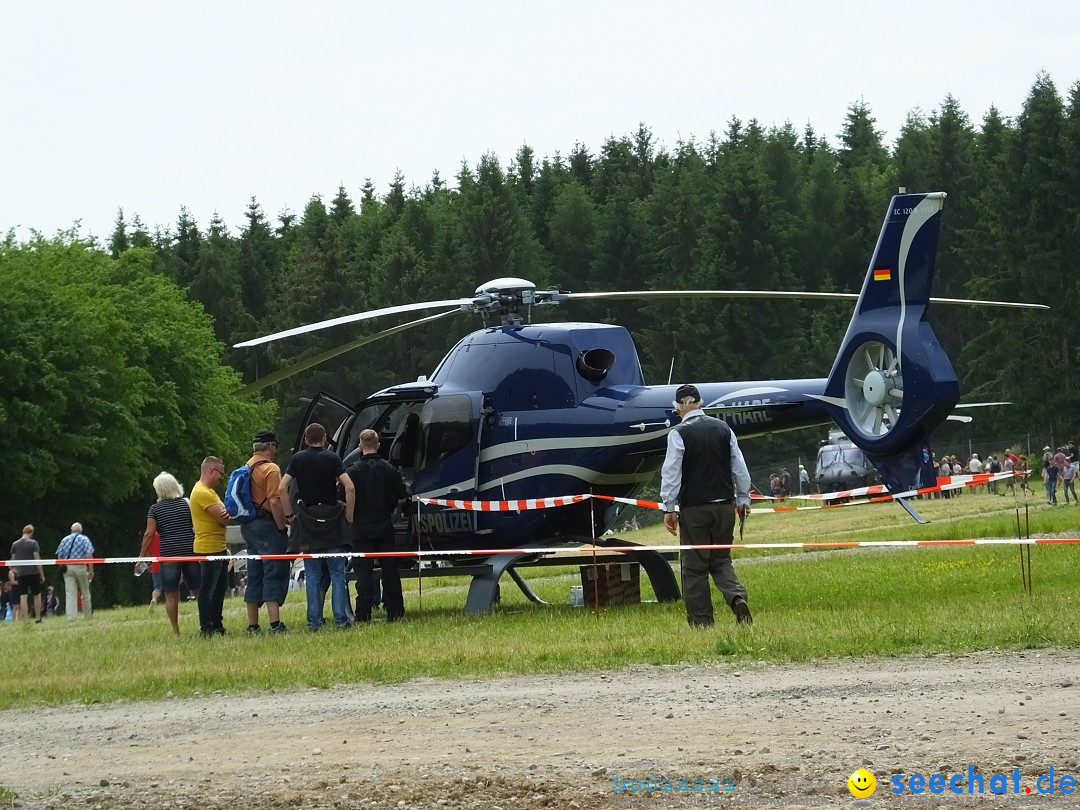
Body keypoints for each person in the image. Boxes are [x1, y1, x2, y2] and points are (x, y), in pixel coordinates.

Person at [660, 384, 753, 627]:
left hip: (695, 510)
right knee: (721, 560)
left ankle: (702, 623)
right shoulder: (724, 429)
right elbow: (740, 468)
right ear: (701, 403)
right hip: (725, 506)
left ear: (678, 408)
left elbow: (671, 475)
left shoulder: (678, 434)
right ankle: (737, 598)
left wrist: (669, 508)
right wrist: (743, 498)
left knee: (694, 567)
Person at [280, 423, 355, 630]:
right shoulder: (333, 459)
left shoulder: (297, 459)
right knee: (337, 574)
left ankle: (314, 622)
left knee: (312, 574)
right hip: (332, 520)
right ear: (324, 438)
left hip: (307, 521)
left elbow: (281, 487)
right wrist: (348, 516)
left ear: (305, 439)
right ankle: (341, 620)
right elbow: (349, 487)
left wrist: (289, 515)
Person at [347, 429, 408, 623]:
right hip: (384, 526)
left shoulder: (352, 471)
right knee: (390, 569)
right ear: (378, 445)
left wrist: (350, 517)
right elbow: (402, 495)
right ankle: (395, 611)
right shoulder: (390, 469)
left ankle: (363, 613)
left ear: (359, 446)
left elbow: (344, 497)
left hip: (361, 527)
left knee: (363, 571)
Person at [241, 429, 290, 635]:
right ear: (270, 446)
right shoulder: (271, 469)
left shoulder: (246, 466)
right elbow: (274, 500)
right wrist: (281, 525)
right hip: (266, 524)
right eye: (275, 447)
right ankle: (275, 624)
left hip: (249, 525)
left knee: (254, 573)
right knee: (273, 571)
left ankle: (253, 625)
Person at [140, 472, 200, 637]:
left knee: (171, 594)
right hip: (190, 551)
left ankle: (176, 631)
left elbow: (149, 534)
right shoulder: (187, 504)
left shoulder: (155, 509)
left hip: (169, 555)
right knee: (198, 590)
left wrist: (141, 556)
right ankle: (206, 624)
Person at [190, 457, 231, 636]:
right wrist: (226, 515)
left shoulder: (211, 492)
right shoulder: (202, 492)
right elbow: (222, 518)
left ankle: (217, 624)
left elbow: (224, 515)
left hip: (218, 546)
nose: (221, 477)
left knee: (221, 588)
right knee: (208, 590)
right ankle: (206, 627)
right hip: (209, 548)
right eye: (220, 473)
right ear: (211, 470)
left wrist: (226, 514)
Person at [56, 522, 95, 620]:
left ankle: (71, 617)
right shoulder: (84, 539)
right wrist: (91, 570)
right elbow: (89, 555)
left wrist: (62, 567)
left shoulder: (65, 540)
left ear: (71, 530)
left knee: (70, 593)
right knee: (85, 592)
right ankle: (87, 615)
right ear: (81, 530)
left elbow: (59, 556)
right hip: (81, 567)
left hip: (68, 568)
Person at [10, 525, 47, 623]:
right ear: (31, 533)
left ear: (23, 532)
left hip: (21, 574)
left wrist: (15, 570)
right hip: (33, 572)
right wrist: (41, 574)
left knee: (23, 596)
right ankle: (38, 618)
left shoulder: (15, 544)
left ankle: (25, 620)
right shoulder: (33, 543)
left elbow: (12, 561)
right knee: (37, 594)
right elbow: (37, 559)